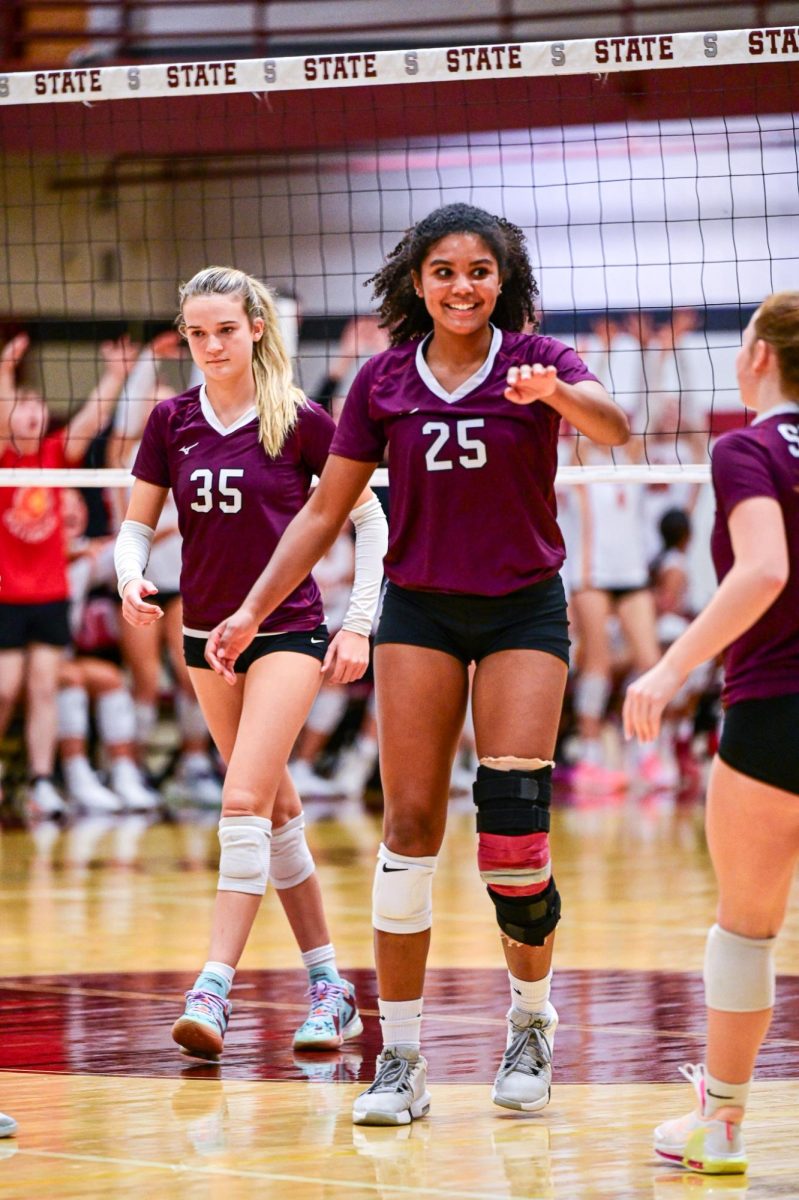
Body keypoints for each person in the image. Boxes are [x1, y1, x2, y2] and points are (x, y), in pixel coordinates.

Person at [202, 205, 629, 1122]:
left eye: (479, 271)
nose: (462, 286)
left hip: (521, 605)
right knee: (407, 829)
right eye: (443, 271)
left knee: (512, 831)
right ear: (417, 283)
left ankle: (529, 1021)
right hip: (420, 609)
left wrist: (550, 396)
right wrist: (249, 608)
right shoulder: (383, 381)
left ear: (502, 281)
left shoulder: (540, 362)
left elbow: (615, 427)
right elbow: (322, 513)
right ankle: (398, 1056)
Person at [113, 266, 388, 1060]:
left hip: (287, 634)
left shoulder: (298, 420)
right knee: (275, 815)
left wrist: (358, 625)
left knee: (240, 798)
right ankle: (331, 988)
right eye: (196, 334)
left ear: (258, 328)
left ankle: (212, 986)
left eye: (224, 330)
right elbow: (137, 525)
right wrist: (132, 576)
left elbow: (369, 522)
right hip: (206, 638)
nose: (210, 346)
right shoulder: (170, 420)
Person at [623, 291, 799, 1175]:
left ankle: (720, 1130)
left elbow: (764, 566)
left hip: (777, 710)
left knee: (744, 931)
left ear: (759, 357)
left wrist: (669, 667)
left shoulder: (748, 446)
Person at [0, 331, 134, 817]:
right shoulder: (6, 458)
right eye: (23, 405)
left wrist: (117, 376)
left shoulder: (54, 453)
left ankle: (40, 782)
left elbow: (91, 419)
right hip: (8, 595)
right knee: (5, 689)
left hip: (50, 594)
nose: (33, 412)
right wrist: (5, 372)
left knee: (42, 687)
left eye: (38, 406)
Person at [107, 332, 222, 806]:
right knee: (147, 681)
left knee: (193, 670)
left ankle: (194, 763)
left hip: (183, 584)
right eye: (150, 397)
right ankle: (127, 768)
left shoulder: (191, 452)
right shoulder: (122, 459)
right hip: (141, 583)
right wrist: (144, 365)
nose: (161, 405)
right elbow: (138, 530)